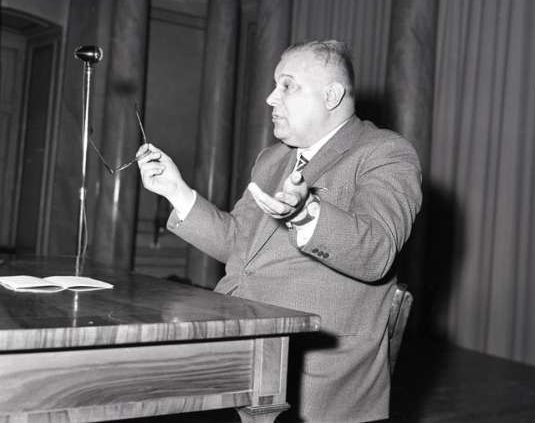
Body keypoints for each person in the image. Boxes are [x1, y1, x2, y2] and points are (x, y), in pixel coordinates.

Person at [138, 40, 422, 423]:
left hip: (311, 375)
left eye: (287, 86)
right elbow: (239, 246)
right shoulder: (272, 158)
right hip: (233, 353)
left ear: (331, 95)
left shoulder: (385, 153)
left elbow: (377, 253)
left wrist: (306, 215)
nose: (271, 98)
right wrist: (176, 191)